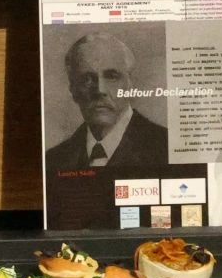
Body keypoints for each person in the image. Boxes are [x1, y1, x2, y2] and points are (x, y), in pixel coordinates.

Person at [44, 31, 170, 173]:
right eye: (87, 79)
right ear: (73, 90)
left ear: (130, 85)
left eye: (111, 76)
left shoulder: (167, 148)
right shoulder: (53, 160)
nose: (100, 90)